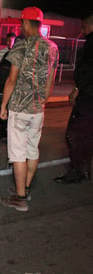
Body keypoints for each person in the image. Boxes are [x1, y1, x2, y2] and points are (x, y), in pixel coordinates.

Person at [0, 7, 59, 211]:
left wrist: (3, 105)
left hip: (19, 108)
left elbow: (11, 79)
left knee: (17, 154)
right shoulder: (52, 48)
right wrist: (43, 101)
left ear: (25, 23)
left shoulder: (21, 47)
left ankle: (20, 198)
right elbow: (50, 80)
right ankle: (25, 187)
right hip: (37, 109)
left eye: (21, 23)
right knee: (32, 150)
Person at [54, 13, 93, 184]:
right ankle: (83, 166)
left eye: (84, 26)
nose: (82, 30)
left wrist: (77, 88)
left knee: (74, 133)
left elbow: (88, 70)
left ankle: (78, 169)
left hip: (88, 96)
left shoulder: (91, 44)